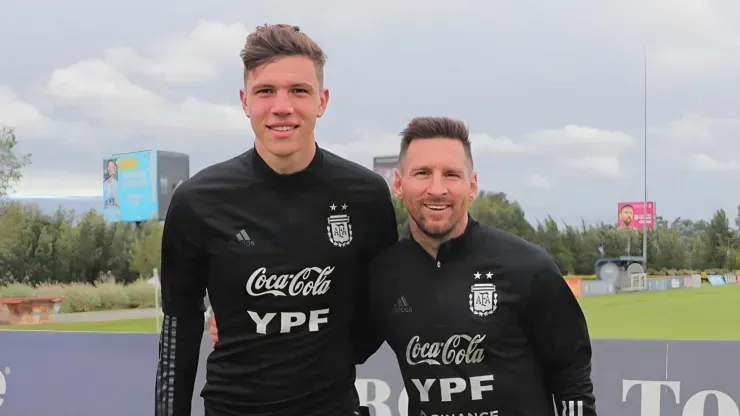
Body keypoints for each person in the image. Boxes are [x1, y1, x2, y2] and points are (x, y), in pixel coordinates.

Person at [211, 116, 598, 415]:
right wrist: (245, 320)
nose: (436, 189)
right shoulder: (383, 276)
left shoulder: (527, 266)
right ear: (398, 184)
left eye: (451, 175)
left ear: (473, 184)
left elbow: (573, 378)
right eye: (422, 174)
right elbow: (327, 349)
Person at [155, 24, 398, 416]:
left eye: (299, 91)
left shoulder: (365, 196)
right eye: (265, 91)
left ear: (323, 100)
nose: (281, 106)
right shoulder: (198, 200)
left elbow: (384, 305)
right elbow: (178, 327)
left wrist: (325, 353)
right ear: (244, 100)